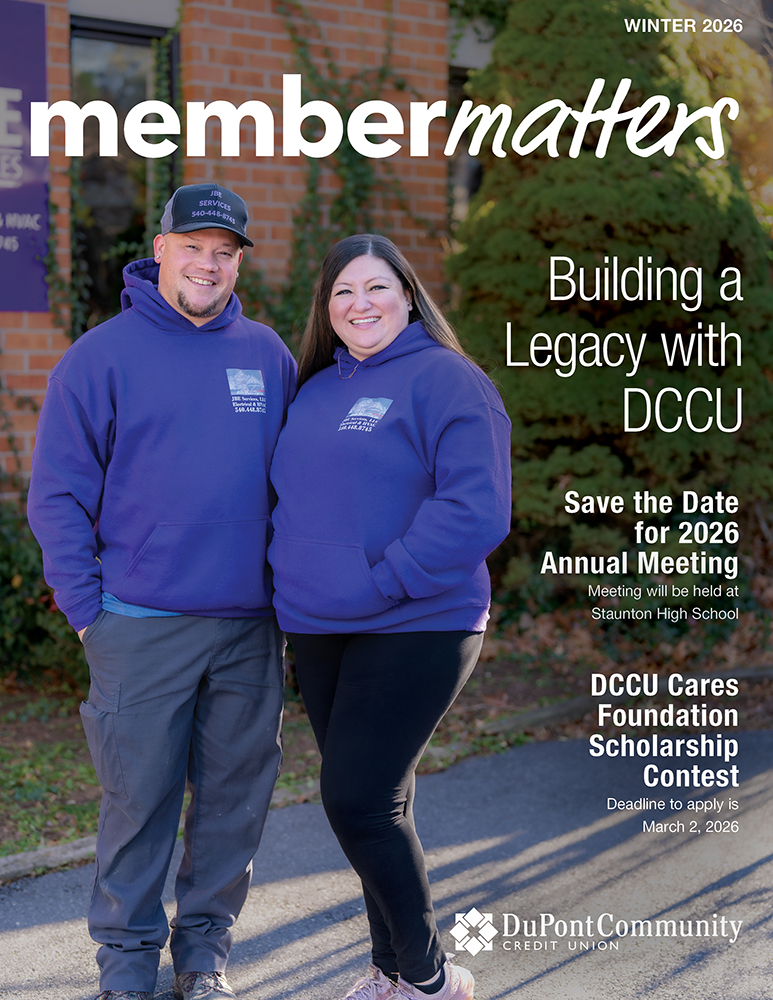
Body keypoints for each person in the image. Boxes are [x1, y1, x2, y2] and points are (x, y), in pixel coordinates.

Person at [27, 184, 297, 1000]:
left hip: (248, 629)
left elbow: (302, 481)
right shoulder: (101, 357)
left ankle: (204, 960)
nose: (208, 265)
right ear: (161, 247)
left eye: (224, 252)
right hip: (138, 626)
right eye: (194, 248)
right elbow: (58, 495)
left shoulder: (266, 354)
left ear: (239, 260)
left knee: (232, 808)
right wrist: (88, 616)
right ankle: (127, 971)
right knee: (137, 806)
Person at [268, 234, 512, 1000]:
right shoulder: (313, 388)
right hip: (317, 625)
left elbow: (476, 506)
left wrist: (389, 577)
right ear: (326, 309)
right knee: (378, 801)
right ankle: (388, 971)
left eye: (375, 288)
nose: (359, 304)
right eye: (342, 292)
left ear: (408, 295)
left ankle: (430, 978)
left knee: (357, 799)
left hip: (419, 619)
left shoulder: (447, 379)